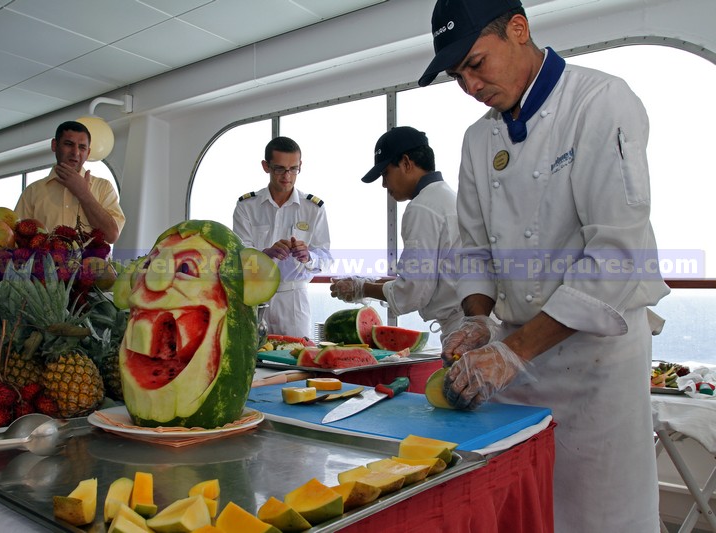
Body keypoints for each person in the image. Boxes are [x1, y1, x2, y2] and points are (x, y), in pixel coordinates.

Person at [418, 0, 670, 531]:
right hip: (516, 361)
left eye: (477, 64)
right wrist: (478, 321)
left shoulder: (600, 102)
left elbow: (614, 255)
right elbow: (474, 250)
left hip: (596, 367)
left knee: (599, 516)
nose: (470, 86)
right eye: (458, 75)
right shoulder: (476, 139)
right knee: (525, 510)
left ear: (518, 29)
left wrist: (510, 352)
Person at [330, 126, 463, 343]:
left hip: (460, 327)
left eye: (385, 174)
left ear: (406, 163)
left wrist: (361, 288)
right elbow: (426, 274)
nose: (384, 185)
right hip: (473, 322)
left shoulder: (422, 207)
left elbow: (413, 292)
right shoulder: (447, 197)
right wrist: (368, 282)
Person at [232, 136, 331, 338]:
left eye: (293, 169)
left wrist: (308, 256)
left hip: (294, 300)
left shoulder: (313, 208)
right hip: (254, 296)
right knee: (254, 359)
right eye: (279, 169)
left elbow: (327, 260)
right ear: (266, 166)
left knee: (296, 359)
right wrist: (266, 254)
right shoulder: (246, 206)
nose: (287, 176)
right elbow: (238, 258)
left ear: (300, 166)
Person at [15, 121, 125, 243]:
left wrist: (84, 194)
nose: (76, 152)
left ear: (88, 152)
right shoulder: (33, 191)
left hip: (92, 263)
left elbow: (111, 236)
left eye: (82, 147)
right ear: (54, 145)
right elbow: (17, 240)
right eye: (68, 144)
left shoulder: (103, 187)